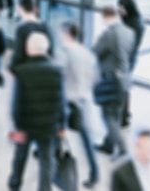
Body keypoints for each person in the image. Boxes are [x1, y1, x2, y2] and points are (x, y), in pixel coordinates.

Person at [8, 32, 66, 191]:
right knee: (47, 161)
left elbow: (16, 105)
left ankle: (15, 183)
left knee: (20, 156)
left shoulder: (22, 71)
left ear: (28, 49)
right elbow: (62, 102)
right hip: (48, 126)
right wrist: (62, 125)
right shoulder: (57, 71)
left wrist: (17, 126)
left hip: (26, 125)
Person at [58, 22, 99, 188]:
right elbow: (95, 78)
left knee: (56, 134)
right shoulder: (88, 55)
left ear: (68, 34)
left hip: (67, 102)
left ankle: (54, 170)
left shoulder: (65, 52)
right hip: (83, 101)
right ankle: (94, 172)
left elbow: (58, 76)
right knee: (86, 139)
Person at [94, 6, 135, 159]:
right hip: (125, 80)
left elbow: (96, 52)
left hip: (112, 80)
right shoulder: (129, 32)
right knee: (116, 115)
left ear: (105, 17)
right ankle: (108, 145)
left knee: (108, 116)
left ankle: (123, 149)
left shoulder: (109, 34)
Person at [118, 0, 145, 128]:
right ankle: (125, 114)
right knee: (125, 87)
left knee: (123, 87)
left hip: (127, 58)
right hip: (130, 58)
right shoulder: (135, 20)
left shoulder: (133, 23)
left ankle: (123, 116)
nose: (120, 11)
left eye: (121, 8)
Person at [9, 0, 53, 71]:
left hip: (27, 69)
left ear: (21, 9)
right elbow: (51, 52)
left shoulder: (22, 29)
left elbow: (18, 55)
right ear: (35, 10)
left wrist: (12, 68)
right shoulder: (45, 27)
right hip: (43, 68)